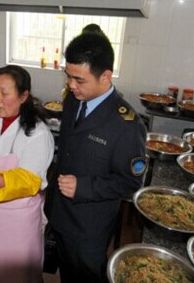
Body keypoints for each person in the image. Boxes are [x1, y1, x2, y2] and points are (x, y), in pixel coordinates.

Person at [44, 33, 147, 282]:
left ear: (106, 77)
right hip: (59, 213)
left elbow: (130, 182)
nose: (71, 85)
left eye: (79, 79)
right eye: (68, 76)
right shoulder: (72, 101)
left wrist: (84, 186)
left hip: (89, 225)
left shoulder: (126, 125)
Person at [0, 65, 54, 283]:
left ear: (23, 96)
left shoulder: (37, 133)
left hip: (17, 219)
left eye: (5, 93)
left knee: (14, 274)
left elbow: (31, 181)